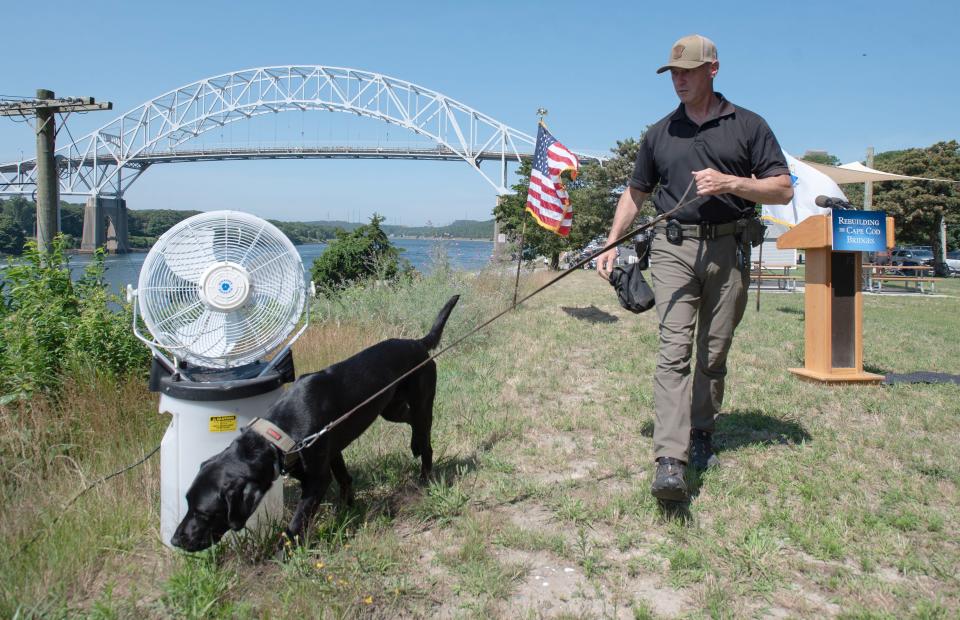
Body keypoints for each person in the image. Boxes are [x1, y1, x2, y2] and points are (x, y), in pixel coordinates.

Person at [596, 34, 793, 503]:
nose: (679, 80)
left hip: (728, 250)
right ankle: (670, 458)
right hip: (672, 249)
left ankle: (701, 430)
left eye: (687, 71)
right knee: (673, 349)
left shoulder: (749, 125)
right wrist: (611, 242)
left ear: (713, 69)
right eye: (673, 73)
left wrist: (732, 183)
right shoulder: (660, 132)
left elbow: (783, 189)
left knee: (713, 353)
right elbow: (635, 193)